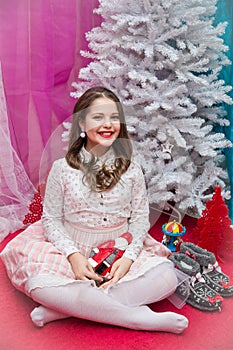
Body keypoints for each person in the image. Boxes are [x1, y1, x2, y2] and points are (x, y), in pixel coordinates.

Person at [1, 86, 188, 333]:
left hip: (118, 249)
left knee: (167, 278)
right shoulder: (62, 168)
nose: (107, 124)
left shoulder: (131, 169)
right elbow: (52, 220)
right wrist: (74, 257)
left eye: (113, 117)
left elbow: (141, 219)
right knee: (39, 284)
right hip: (71, 247)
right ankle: (137, 318)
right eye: (98, 117)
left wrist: (129, 258)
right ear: (81, 122)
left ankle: (63, 310)